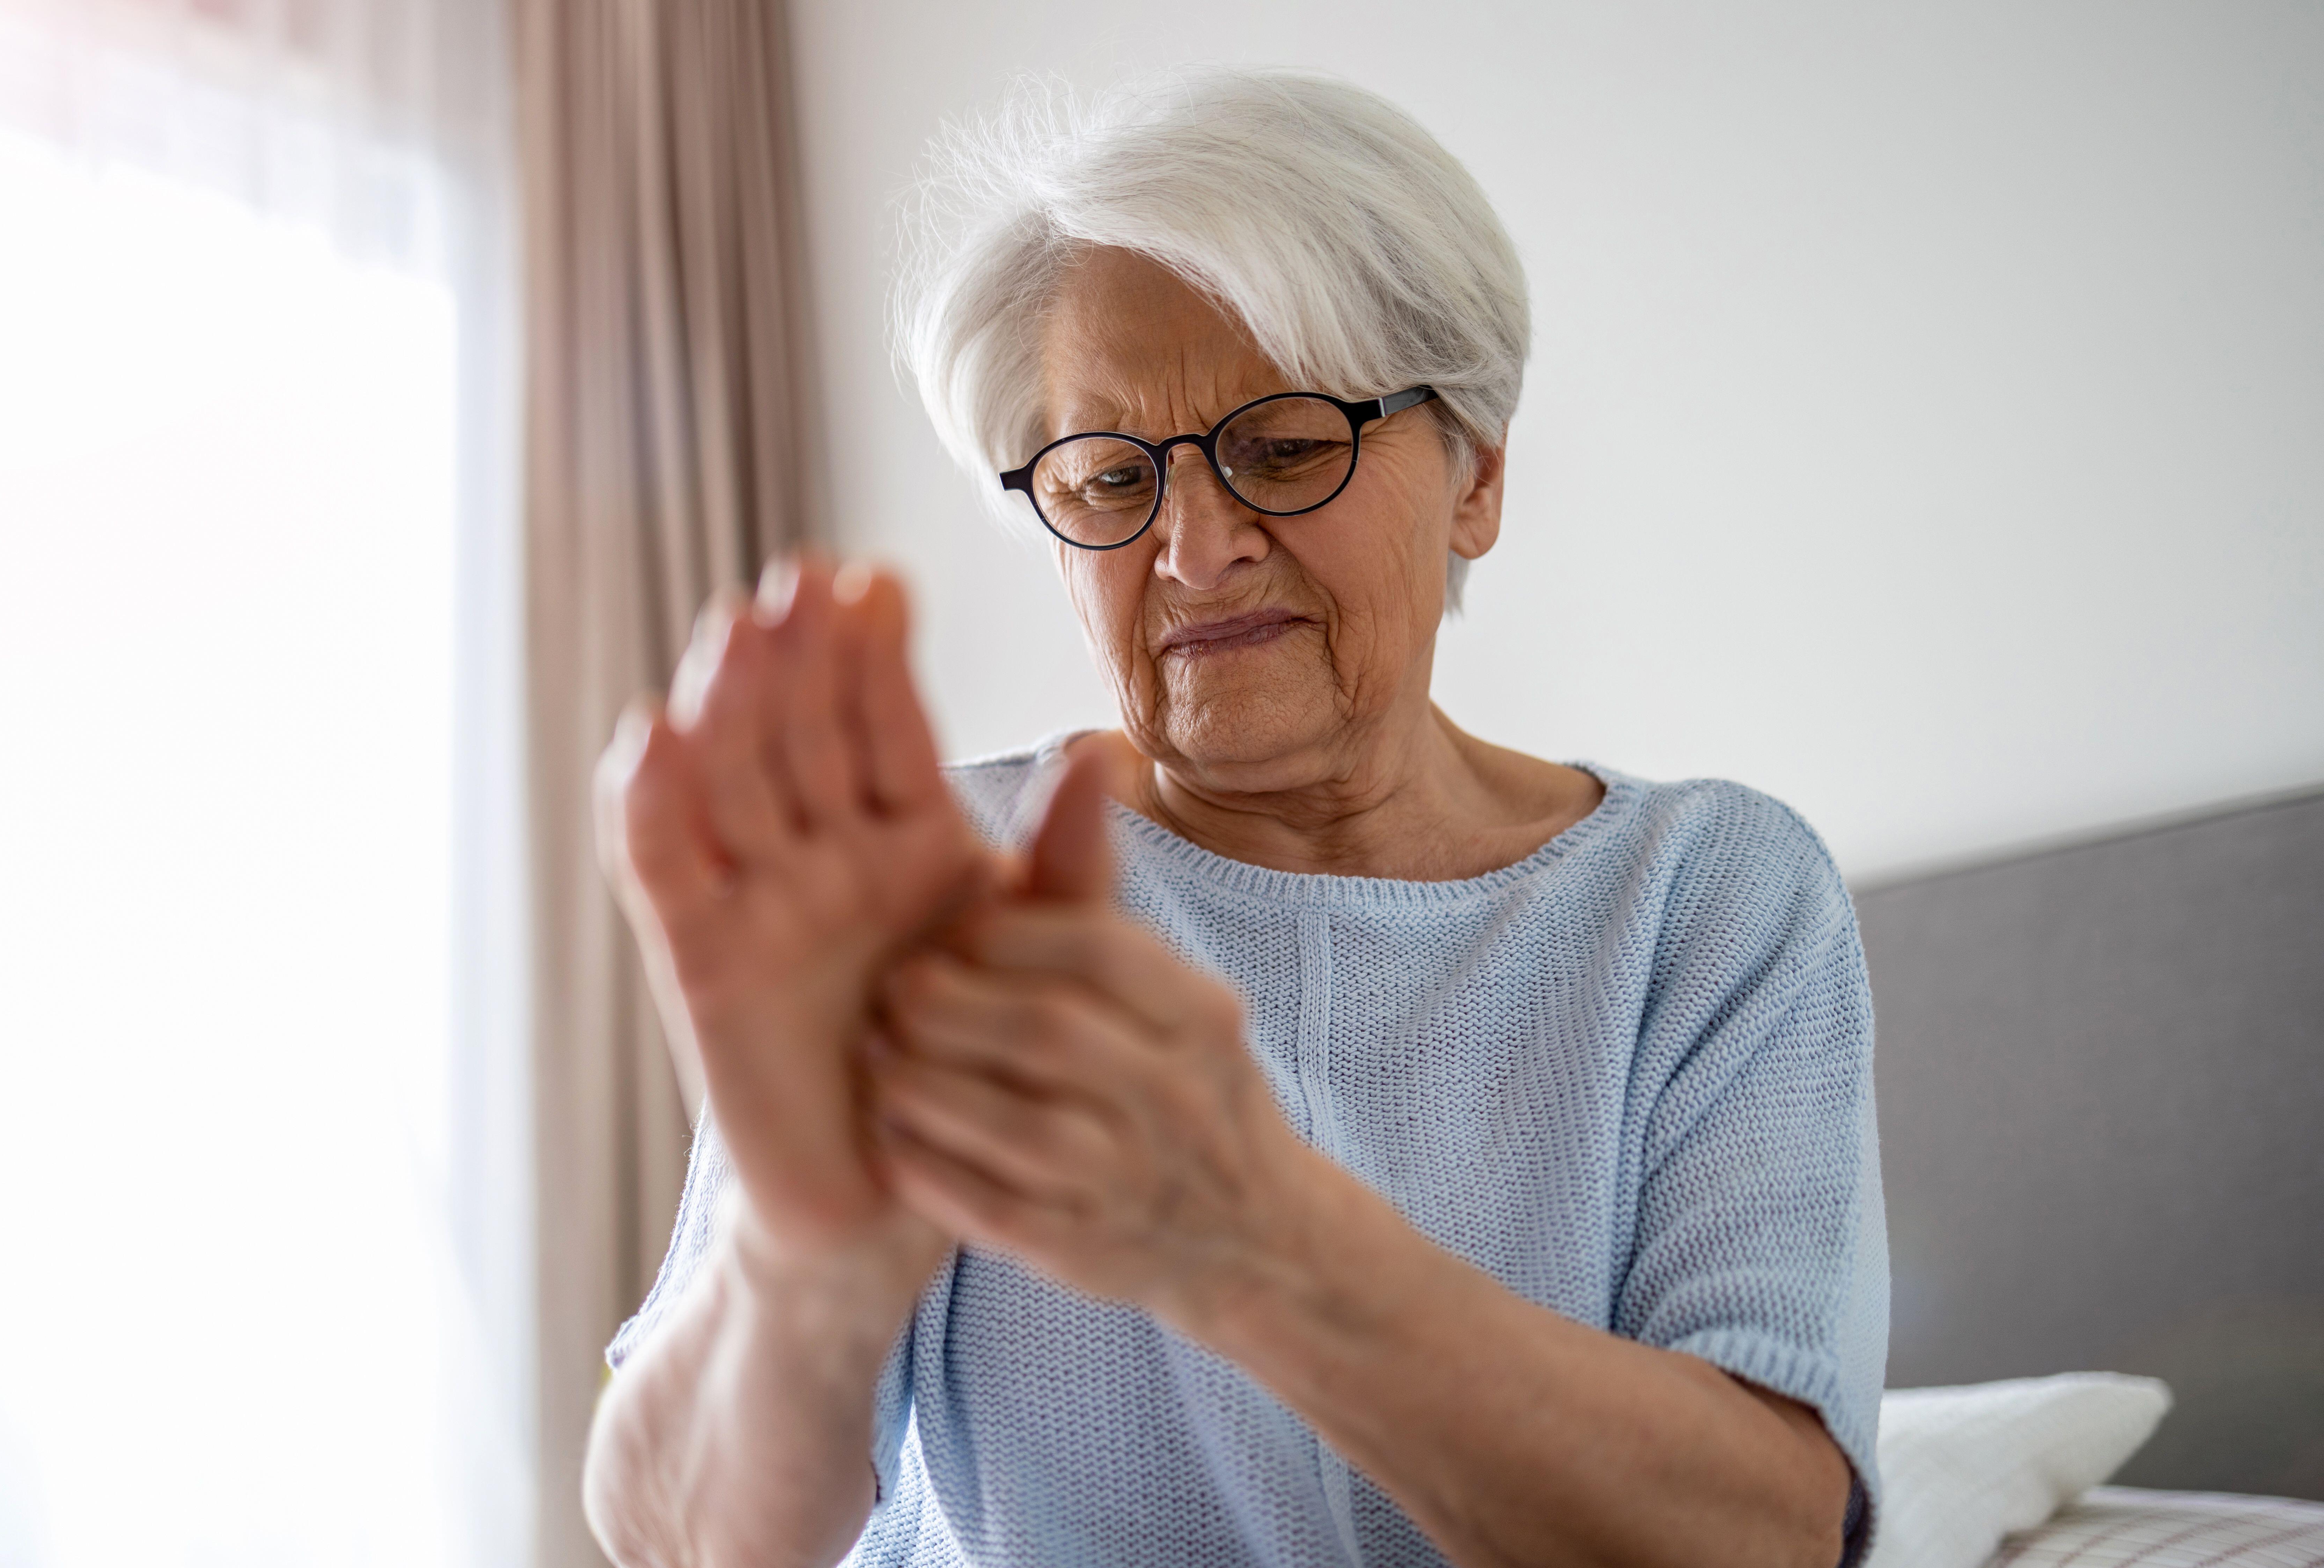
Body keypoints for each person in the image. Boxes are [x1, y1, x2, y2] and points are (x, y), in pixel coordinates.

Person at [582, 67, 1885, 1568]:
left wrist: (1258, 1239)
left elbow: (1764, 1541)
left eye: (1284, 446)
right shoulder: (941, 892)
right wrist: (806, 1255)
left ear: (1477, 475)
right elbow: (673, 1538)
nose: (1194, 550)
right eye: (1112, 476)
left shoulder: (1705, 901)